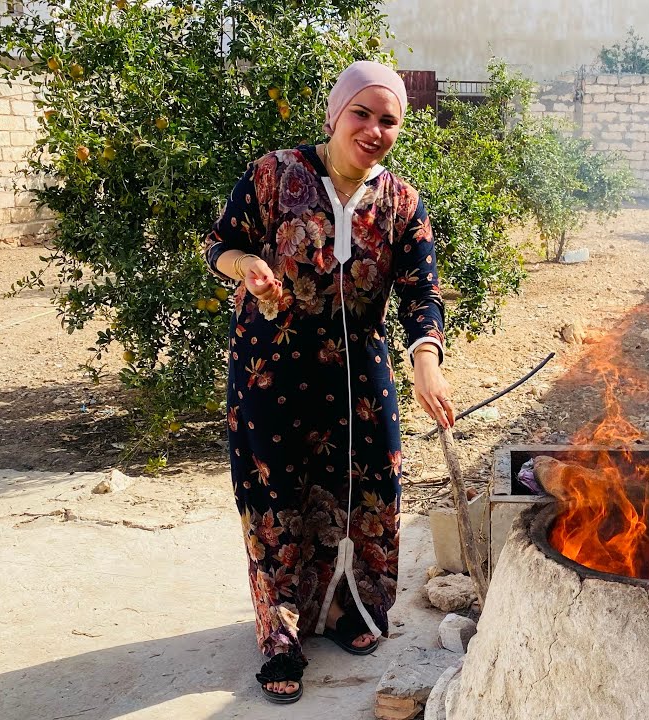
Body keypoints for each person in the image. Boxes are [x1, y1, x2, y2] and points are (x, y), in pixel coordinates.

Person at [202, 60, 456, 704]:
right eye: (361, 114)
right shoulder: (275, 174)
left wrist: (426, 357)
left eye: (388, 120)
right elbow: (219, 246)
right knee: (279, 498)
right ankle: (281, 632)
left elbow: (420, 291)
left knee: (369, 487)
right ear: (335, 115)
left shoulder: (401, 202)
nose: (373, 130)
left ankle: (349, 610)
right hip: (273, 370)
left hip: (360, 374)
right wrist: (249, 266)